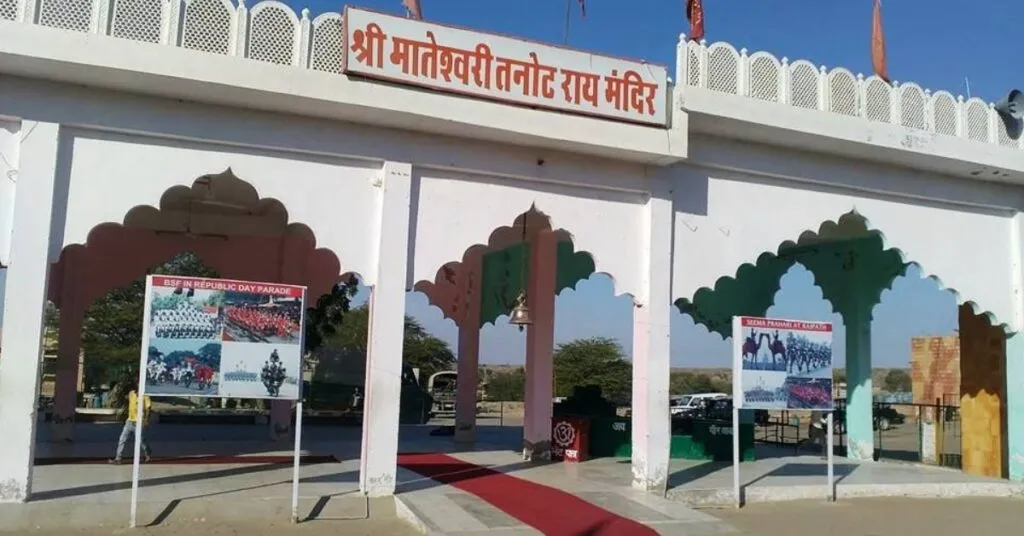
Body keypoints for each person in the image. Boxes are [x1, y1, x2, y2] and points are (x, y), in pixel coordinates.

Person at [108, 382, 153, 464]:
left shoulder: (145, 396)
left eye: (138, 385)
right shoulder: (131, 393)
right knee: (122, 439)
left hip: (139, 422)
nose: (136, 387)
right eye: (136, 385)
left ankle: (147, 453)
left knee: (141, 440)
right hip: (129, 421)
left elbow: (148, 408)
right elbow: (126, 401)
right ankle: (118, 458)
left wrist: (146, 419)